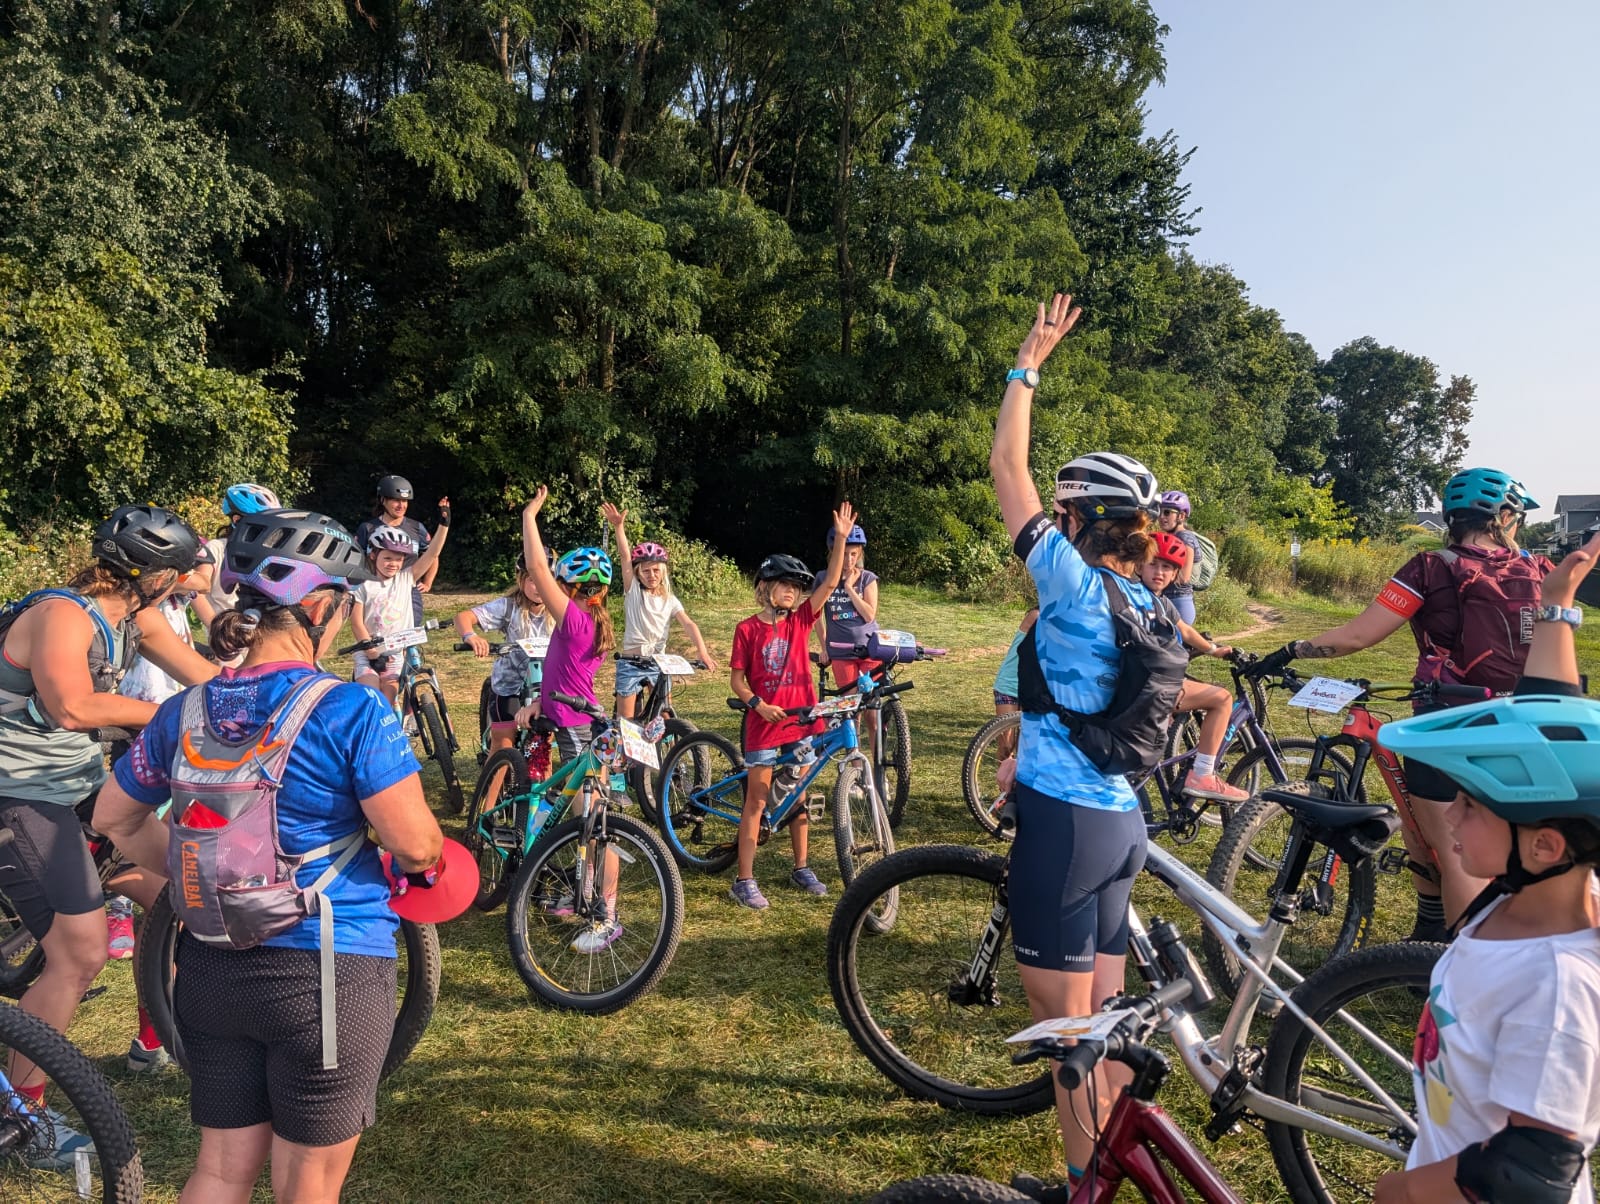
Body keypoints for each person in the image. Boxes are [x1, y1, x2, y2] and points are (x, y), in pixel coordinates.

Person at [93, 508, 446, 1204]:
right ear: (320, 605)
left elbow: (113, 819)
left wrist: (204, 873)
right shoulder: (352, 709)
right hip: (326, 969)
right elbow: (415, 844)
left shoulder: (183, 711)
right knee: (306, 1187)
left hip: (209, 970)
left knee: (220, 1171)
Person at [990, 293, 1184, 1200]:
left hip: (1066, 828)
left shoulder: (1070, 586)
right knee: (1099, 1021)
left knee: (1067, 1038)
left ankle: (1082, 1190)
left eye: (1064, 510)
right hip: (1120, 827)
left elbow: (1006, 466)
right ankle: (1106, 1170)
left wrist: (1026, 365)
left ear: (1078, 516)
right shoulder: (1146, 600)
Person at [1371, 528, 1600, 1204]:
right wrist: (1556, 603)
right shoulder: (1519, 899)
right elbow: (1547, 718)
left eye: (1470, 806)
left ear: (1544, 846)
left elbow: (1528, 1176)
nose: (1450, 816)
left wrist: (1402, 1192)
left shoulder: (1556, 986)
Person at [1253, 466, 1551, 942]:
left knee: (1453, 854)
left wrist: (1293, 649)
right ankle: (1434, 932)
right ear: (1504, 516)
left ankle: (1455, 966)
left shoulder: (1429, 568)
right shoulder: (1540, 570)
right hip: (1522, 719)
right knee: (1472, 838)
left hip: (1444, 721)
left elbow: (1357, 636)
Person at [0, 505, 212, 1160]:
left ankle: (168, 1040)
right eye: (174, 576)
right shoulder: (62, 614)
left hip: (80, 785)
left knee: (185, 882)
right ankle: (18, 1115)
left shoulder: (133, 618)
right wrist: (166, 717)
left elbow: (203, 679)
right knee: (82, 951)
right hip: (18, 796)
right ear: (150, 575)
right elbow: (71, 706)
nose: (181, 586)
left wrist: (267, 701)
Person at [727, 504, 856, 910]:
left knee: (799, 794)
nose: (791, 592)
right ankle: (743, 878)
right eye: (783, 585)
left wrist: (839, 539)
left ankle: (801, 866)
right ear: (763, 587)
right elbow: (736, 679)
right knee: (758, 800)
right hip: (764, 725)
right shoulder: (746, 629)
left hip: (802, 722)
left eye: (795, 587)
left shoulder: (801, 620)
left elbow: (832, 579)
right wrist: (758, 705)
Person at [519, 488, 628, 954]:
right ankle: (580, 893)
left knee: (594, 822)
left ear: (570, 590)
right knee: (575, 815)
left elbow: (537, 568)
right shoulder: (596, 619)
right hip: (571, 720)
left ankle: (607, 914)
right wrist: (541, 704)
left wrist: (529, 516)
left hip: (579, 731)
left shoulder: (575, 620)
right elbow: (567, 676)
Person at [1140, 532, 1248, 805]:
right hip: (1152, 685)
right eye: (1153, 564)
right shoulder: (1145, 599)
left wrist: (1213, 649)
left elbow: (1185, 630)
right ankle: (1202, 775)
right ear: (1140, 564)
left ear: (1176, 573)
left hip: (1145, 683)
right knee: (1222, 699)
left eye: (1167, 567)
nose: (1160, 572)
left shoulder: (1161, 602)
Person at [601, 502, 717, 719]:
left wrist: (702, 650)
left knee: (665, 718)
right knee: (625, 724)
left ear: (663, 572)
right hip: (631, 662)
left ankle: (673, 751)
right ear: (638, 573)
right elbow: (625, 558)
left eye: (656, 570)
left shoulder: (670, 599)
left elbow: (689, 624)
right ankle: (625, 751)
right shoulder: (634, 591)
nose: (651, 575)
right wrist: (619, 527)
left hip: (657, 663)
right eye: (646, 571)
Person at [454, 551, 555, 761]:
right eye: (533, 580)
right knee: (502, 743)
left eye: (546, 579)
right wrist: (471, 636)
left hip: (546, 683)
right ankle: (491, 791)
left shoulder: (559, 608)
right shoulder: (508, 606)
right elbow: (464, 617)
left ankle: (541, 792)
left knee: (544, 744)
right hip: (510, 682)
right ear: (521, 580)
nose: (539, 587)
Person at [349, 500, 452, 705]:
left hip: (395, 654)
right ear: (373, 555)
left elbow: (432, 553)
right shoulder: (363, 585)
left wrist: (444, 525)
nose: (393, 564)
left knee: (388, 700)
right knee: (372, 699)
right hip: (369, 654)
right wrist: (370, 649)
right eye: (387, 558)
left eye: (398, 559)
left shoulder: (406, 578)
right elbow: (357, 622)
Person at [193, 482, 282, 640]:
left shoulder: (268, 553)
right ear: (237, 520)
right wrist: (218, 630)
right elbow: (196, 592)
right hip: (227, 641)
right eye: (262, 523)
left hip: (261, 638)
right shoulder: (217, 549)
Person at [354, 476, 439, 627]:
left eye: (405, 501)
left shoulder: (416, 528)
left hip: (408, 591)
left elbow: (432, 555)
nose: (401, 505)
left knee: (411, 635)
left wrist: (427, 582)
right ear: (383, 500)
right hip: (377, 591)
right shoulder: (367, 528)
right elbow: (356, 560)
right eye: (396, 500)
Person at [1156, 490, 1202, 626]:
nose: (1161, 517)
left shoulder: (1185, 537)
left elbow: (1184, 577)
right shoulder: (1174, 537)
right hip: (1171, 600)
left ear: (1181, 516)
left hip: (1179, 601)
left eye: (1167, 512)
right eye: (1159, 512)